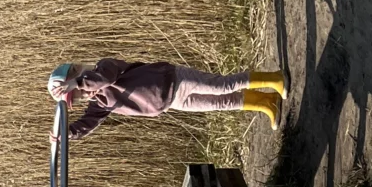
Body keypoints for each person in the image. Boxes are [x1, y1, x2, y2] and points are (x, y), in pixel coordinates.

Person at [48, 60, 288, 140]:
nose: (82, 95)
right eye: (77, 98)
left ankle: (273, 78)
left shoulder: (104, 67)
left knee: (221, 85)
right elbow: (89, 122)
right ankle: (265, 103)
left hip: (173, 79)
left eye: (78, 89)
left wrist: (77, 84)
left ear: (78, 71)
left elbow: (102, 78)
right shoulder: (99, 103)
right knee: (220, 103)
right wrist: (68, 134)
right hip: (171, 102)